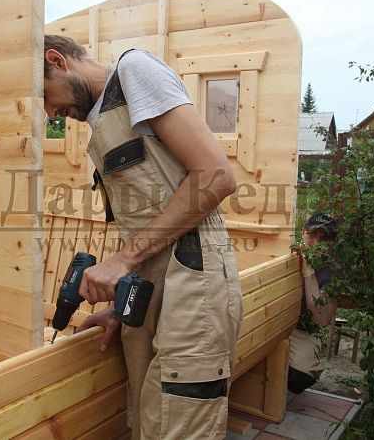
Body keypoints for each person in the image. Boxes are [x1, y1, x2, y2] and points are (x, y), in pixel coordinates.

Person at [43, 35, 242, 439]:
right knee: (148, 420)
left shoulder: (134, 70)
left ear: (57, 61)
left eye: (45, 97)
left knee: (180, 426)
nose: (51, 113)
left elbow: (216, 176)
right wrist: (121, 309)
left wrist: (121, 261)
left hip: (194, 281)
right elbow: (151, 216)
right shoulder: (104, 120)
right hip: (153, 286)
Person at [288, 213, 340, 394]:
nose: (317, 243)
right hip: (274, 324)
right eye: (313, 234)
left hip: (303, 330)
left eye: (324, 237)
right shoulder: (287, 254)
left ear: (332, 242)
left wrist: (308, 273)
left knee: (299, 378)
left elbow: (322, 319)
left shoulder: (332, 271)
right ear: (303, 232)